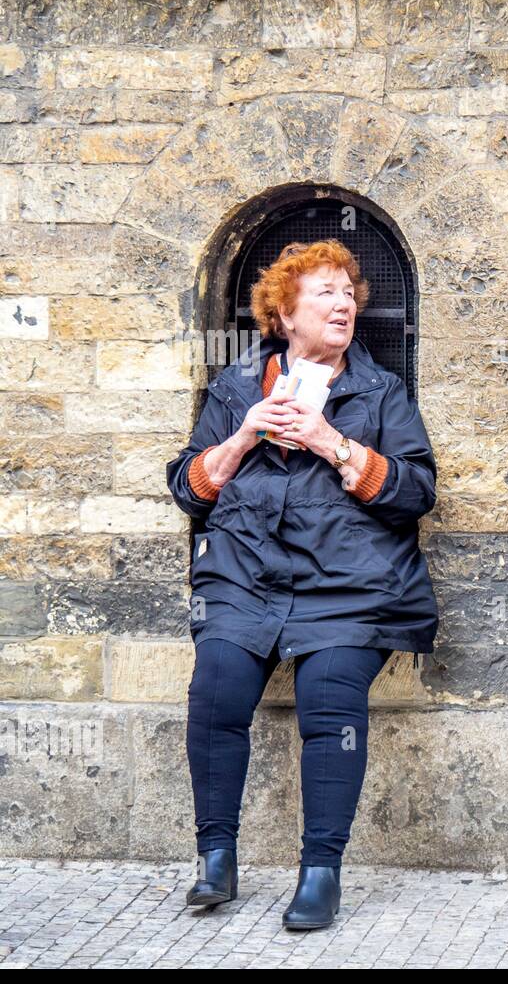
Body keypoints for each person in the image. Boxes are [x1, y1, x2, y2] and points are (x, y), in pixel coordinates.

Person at [165, 240, 438, 930]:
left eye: (349, 291)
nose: (343, 301)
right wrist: (243, 437)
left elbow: (415, 491)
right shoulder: (236, 387)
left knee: (329, 700)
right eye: (324, 292)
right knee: (216, 687)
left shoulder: (380, 393)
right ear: (284, 312)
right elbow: (187, 488)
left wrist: (331, 442)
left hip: (351, 588)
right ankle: (216, 859)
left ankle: (321, 872)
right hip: (245, 579)